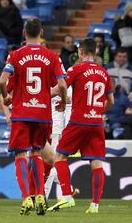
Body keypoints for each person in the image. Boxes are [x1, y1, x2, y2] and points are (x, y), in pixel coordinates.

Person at [0, 18, 67, 215]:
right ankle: (39, 195)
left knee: (21, 154)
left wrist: (6, 97)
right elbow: (62, 84)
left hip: (21, 113)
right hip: (43, 114)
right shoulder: (52, 56)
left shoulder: (15, 55)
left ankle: (26, 197)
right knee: (37, 153)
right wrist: (62, 100)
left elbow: (2, 81)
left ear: (24, 33)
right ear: (42, 32)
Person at [47, 38, 114, 213]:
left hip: (78, 121)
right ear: (96, 52)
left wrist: (40, 96)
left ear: (80, 52)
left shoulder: (76, 69)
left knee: (59, 158)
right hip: (96, 122)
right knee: (96, 163)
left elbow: (58, 88)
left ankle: (67, 196)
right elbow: (111, 101)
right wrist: (98, 111)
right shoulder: (104, 73)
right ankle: (95, 205)